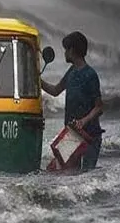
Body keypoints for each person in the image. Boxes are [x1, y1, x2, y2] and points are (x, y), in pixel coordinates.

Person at [41, 32, 104, 170]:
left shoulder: (90, 74)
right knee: (57, 171)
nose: (64, 53)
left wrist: (83, 121)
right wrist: (37, 81)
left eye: (66, 50)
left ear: (72, 50)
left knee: (86, 176)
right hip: (73, 134)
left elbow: (99, 107)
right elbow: (56, 90)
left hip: (90, 136)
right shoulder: (72, 71)